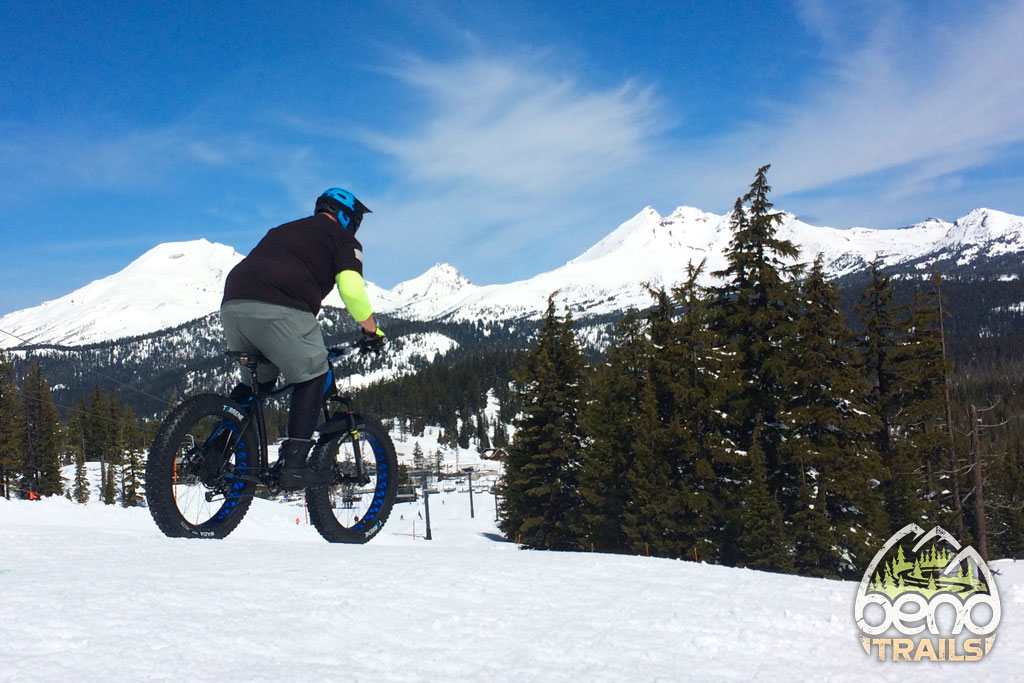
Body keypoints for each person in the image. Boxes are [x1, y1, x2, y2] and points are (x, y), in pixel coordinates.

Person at [220, 188, 386, 489]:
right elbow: (351, 289)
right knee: (312, 374)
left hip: (232, 304)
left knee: (257, 384)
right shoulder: (343, 239)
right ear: (347, 215)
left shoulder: (283, 230)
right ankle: (293, 465)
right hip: (280, 307)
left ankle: (216, 447)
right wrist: (371, 330)